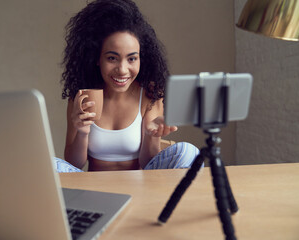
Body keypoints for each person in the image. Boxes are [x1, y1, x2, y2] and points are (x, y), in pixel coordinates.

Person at [56, 0, 200, 172]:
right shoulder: (81, 96)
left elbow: (149, 164)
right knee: (47, 164)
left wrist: (151, 135)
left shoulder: (150, 93)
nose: (122, 70)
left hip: (139, 187)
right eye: (112, 58)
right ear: (96, 58)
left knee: (188, 152)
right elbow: (74, 164)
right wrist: (82, 132)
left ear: (141, 58)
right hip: (93, 187)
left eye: (132, 59)